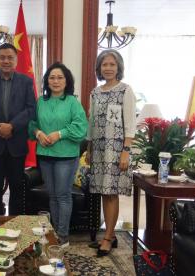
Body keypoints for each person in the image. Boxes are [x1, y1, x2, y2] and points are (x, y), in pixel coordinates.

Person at [28, 62, 88, 247]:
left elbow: (81, 128)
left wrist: (59, 134)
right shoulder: (40, 102)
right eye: (52, 77)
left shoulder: (72, 102)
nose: (55, 81)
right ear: (47, 81)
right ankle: (54, 232)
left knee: (62, 195)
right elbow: (31, 124)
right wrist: (38, 133)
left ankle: (63, 237)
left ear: (66, 80)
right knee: (52, 195)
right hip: (45, 155)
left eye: (60, 77)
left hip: (66, 156)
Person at [86, 49, 136, 257]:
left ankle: (107, 237)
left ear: (118, 67)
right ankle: (110, 235)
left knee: (111, 193)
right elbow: (92, 124)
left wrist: (125, 151)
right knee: (103, 193)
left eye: (112, 64)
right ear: (99, 68)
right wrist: (88, 150)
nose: (108, 68)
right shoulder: (95, 93)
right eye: (104, 65)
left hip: (116, 151)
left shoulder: (126, 90)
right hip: (98, 150)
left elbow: (130, 124)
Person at [0, 43, 36, 215]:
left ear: (16, 60)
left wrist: (12, 126)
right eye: (2, 57)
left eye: (10, 57)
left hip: (16, 143)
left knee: (17, 187)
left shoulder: (26, 82)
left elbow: (31, 109)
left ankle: (14, 225)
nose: (6, 61)